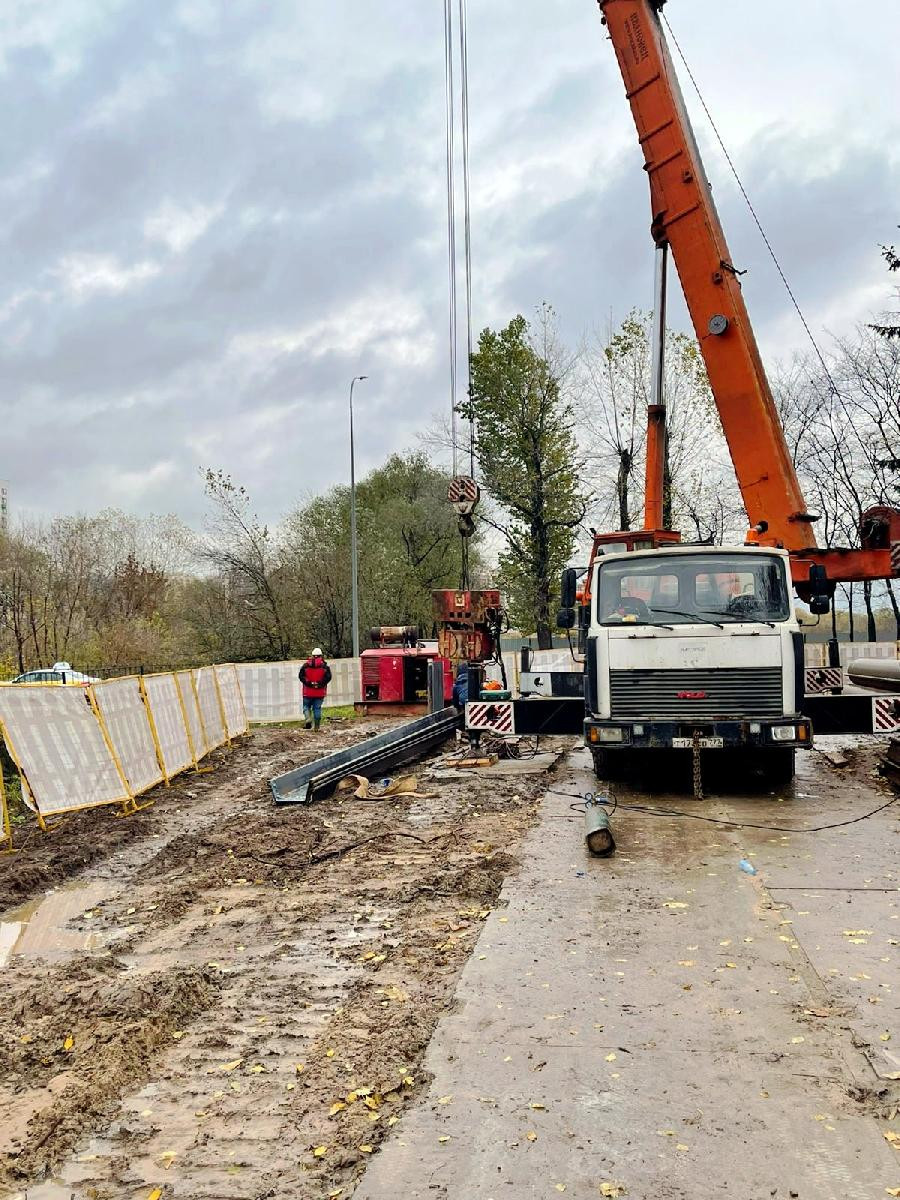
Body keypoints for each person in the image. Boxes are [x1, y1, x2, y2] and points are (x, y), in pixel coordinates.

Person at [298, 648, 331, 731]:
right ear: (321, 656)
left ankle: (308, 718)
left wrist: (309, 683)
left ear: (312, 656)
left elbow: (301, 676)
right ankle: (317, 726)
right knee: (317, 708)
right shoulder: (325, 666)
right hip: (319, 692)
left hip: (307, 692)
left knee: (306, 706)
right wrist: (319, 684)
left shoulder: (305, 666)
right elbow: (328, 678)